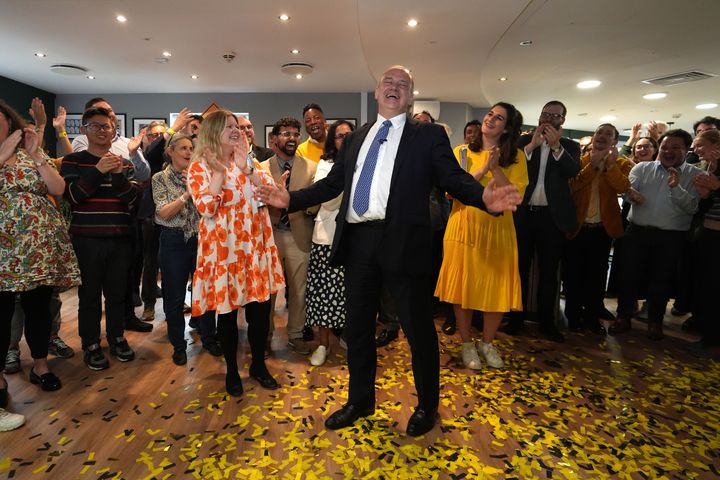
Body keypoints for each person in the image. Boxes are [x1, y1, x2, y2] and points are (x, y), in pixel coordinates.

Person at [258, 65, 521, 436]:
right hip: (359, 243)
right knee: (359, 329)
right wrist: (291, 198)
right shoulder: (355, 138)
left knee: (417, 332)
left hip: (404, 244)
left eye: (403, 84)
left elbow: (452, 178)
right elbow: (333, 183)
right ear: (377, 91)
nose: (394, 87)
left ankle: (428, 406)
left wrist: (482, 197)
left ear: (410, 96)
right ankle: (360, 401)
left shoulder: (428, 136)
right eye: (388, 82)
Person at [187, 110, 285, 396]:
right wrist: (219, 170)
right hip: (224, 252)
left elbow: (271, 194)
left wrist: (248, 169)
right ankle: (232, 370)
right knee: (228, 317)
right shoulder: (200, 166)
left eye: (237, 126)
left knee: (260, 312)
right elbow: (206, 207)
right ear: (213, 131)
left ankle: (257, 364)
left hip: (254, 248)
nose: (236, 130)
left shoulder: (249, 162)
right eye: (228, 126)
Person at [1, 99, 81, 430]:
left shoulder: (30, 152)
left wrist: (35, 154)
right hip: (5, 249)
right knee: (1, 313)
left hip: (40, 248)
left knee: (38, 309)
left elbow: (58, 188)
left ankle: (40, 366)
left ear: (10, 121)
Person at [435, 102, 528, 370]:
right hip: (463, 225)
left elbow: (515, 196)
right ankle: (466, 344)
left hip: (497, 230)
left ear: (507, 127)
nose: (491, 119)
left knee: (495, 288)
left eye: (499, 118)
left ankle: (487, 343)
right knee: (463, 289)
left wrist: (496, 168)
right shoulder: (460, 152)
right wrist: (483, 169)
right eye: (490, 114)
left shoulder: (517, 157)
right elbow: (451, 192)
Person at [61, 107, 142, 370]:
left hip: (119, 238)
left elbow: (132, 202)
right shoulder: (73, 161)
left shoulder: (125, 163)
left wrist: (118, 176)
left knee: (118, 294)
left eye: (106, 126)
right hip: (87, 239)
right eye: (94, 126)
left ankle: (117, 337)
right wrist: (97, 170)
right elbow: (73, 197)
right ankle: (91, 344)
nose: (101, 131)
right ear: (84, 130)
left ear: (113, 131)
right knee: (90, 295)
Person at [611, 129, 702, 340]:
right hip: (637, 232)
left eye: (675, 148)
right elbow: (628, 191)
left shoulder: (696, 175)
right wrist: (631, 194)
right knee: (629, 276)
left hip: (670, 237)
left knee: (661, 281)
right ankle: (623, 317)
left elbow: (692, 207)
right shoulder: (642, 168)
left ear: (687, 149)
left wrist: (676, 187)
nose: (668, 151)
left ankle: (655, 322)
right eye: (664, 147)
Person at [507, 101, 581, 342]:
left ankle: (547, 322)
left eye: (555, 115)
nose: (548, 118)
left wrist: (556, 146)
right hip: (523, 214)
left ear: (562, 121)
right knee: (519, 269)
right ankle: (515, 319)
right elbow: (512, 166)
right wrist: (532, 146)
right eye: (545, 114)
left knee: (549, 272)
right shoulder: (522, 141)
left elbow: (573, 171)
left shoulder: (570, 145)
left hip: (552, 217)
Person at [152, 134, 222, 365]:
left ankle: (209, 337)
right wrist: (187, 193)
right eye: (182, 148)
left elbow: (212, 208)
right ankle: (179, 345)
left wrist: (199, 186)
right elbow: (164, 213)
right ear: (170, 151)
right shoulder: (160, 178)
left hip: (202, 240)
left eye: (191, 148)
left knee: (206, 292)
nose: (188, 152)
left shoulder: (203, 176)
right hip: (173, 241)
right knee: (174, 296)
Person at [564, 124, 631, 334]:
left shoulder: (621, 163)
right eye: (599, 133)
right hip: (577, 228)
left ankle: (592, 317)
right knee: (573, 276)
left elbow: (623, 188)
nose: (602, 136)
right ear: (593, 138)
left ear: (614, 141)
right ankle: (573, 317)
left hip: (602, 230)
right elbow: (570, 185)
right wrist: (592, 166)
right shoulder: (578, 160)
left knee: (597, 277)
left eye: (608, 134)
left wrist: (610, 167)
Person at [260, 118, 318, 355]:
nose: (292, 138)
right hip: (270, 237)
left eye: (295, 134)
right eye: (285, 133)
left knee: (298, 290)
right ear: (274, 139)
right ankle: (264, 337)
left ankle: (295, 334)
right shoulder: (261, 168)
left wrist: (295, 201)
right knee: (268, 292)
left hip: (299, 235)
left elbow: (316, 203)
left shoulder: (312, 168)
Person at [306, 120, 354, 366]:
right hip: (326, 238)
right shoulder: (325, 165)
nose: (344, 140)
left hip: (354, 239)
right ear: (332, 140)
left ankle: (348, 337)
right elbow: (329, 200)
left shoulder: (363, 164)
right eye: (339, 136)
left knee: (351, 294)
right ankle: (323, 344)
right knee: (323, 295)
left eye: (348, 135)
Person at [688, 129, 720, 357]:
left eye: (700, 145)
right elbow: (704, 209)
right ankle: (708, 336)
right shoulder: (708, 168)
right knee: (707, 287)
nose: (695, 150)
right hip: (708, 234)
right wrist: (705, 196)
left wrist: (717, 187)